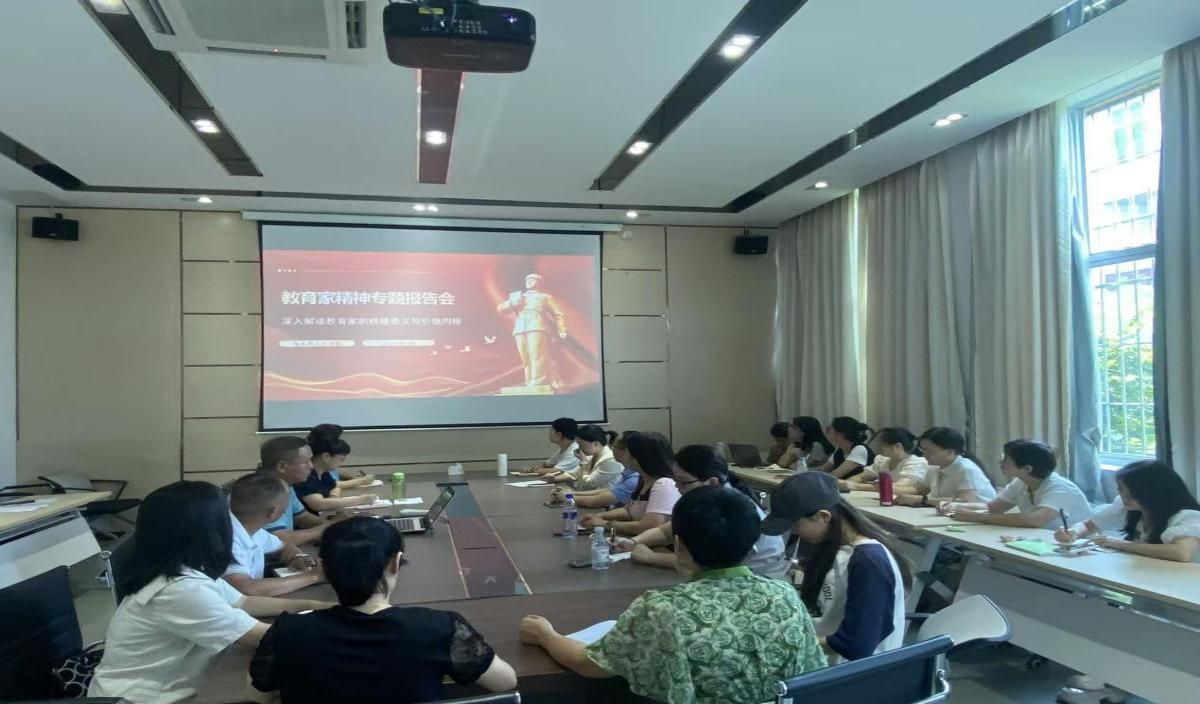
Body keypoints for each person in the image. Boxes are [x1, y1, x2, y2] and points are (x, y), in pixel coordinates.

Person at [519, 486, 827, 704]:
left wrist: (546, 635)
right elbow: (813, 671)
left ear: (679, 546)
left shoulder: (662, 608)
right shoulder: (784, 593)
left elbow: (590, 664)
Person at [89, 482, 329, 704]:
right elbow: (263, 637)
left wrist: (314, 606)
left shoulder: (180, 569)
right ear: (210, 527)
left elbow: (244, 601)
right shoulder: (179, 590)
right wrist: (339, 627)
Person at [249, 516, 517, 704]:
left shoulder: (288, 631)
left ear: (325, 568)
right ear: (396, 563)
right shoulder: (439, 628)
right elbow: (505, 682)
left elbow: (259, 695)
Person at [762, 472, 911, 663]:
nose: (794, 532)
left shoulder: (868, 562)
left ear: (823, 516)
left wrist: (789, 643)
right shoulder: (831, 547)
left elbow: (856, 645)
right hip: (822, 657)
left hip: (850, 672)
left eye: (796, 525)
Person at [612, 444, 789, 579]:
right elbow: (666, 531)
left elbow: (705, 562)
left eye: (682, 482)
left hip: (757, 578)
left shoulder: (727, 509)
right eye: (675, 480)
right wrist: (634, 542)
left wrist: (651, 557)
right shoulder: (706, 498)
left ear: (712, 482)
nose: (676, 487)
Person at [1055, 459, 1200, 562]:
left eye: (1132, 493)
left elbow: (1182, 553)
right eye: (1121, 490)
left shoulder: (1187, 517)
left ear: (1154, 493)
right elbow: (1088, 525)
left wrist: (1121, 544)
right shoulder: (1128, 507)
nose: (1124, 496)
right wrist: (1073, 532)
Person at [944, 439, 1092, 529]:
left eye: (1006, 460)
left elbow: (1035, 520)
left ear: (1027, 468)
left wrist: (977, 517)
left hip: (1072, 548)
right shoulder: (1020, 482)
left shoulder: (1061, 489)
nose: (1000, 463)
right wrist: (957, 506)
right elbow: (992, 507)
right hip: (1039, 542)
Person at [224, 473, 324, 597]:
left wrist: (297, 557)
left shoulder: (251, 528)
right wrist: (314, 576)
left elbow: (283, 547)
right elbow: (246, 588)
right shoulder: (227, 538)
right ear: (274, 512)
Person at [580, 431, 679, 536]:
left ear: (637, 457)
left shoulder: (664, 484)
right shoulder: (643, 479)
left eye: (627, 450)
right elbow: (628, 511)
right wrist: (601, 516)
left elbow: (649, 526)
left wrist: (606, 524)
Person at [258, 437, 342, 544]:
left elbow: (302, 518)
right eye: (306, 462)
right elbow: (279, 540)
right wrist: (330, 526)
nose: (311, 466)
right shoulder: (263, 493)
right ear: (282, 466)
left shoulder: (285, 484)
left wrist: (337, 525)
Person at [496, 272, 567, 389]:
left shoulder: (545, 297)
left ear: (539, 283)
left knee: (537, 355)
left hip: (537, 327)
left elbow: (558, 314)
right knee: (526, 357)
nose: (529, 282)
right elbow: (501, 309)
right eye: (527, 280)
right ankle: (530, 382)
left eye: (532, 280)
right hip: (520, 328)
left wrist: (562, 328)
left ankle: (538, 381)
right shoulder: (518, 296)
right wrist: (512, 303)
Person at [895, 427, 996, 507]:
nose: (923, 455)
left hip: (979, 519)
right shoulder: (934, 467)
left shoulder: (966, 469)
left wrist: (922, 499)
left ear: (950, 451)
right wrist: (894, 492)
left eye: (929, 451)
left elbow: (966, 501)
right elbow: (919, 489)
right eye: (922, 450)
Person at [550, 430, 639, 508]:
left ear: (627, 452)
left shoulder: (633, 478)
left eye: (614, 447)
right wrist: (571, 493)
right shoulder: (627, 473)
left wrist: (569, 496)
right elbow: (609, 490)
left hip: (603, 507)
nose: (611, 449)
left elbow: (593, 497)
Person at [840, 427, 928, 493]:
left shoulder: (916, 462)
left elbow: (899, 486)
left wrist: (856, 486)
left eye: (883, 445)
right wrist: (845, 484)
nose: (880, 448)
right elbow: (861, 476)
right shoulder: (882, 461)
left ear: (897, 446)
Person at [545, 425, 623, 490]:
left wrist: (584, 464)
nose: (579, 448)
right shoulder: (592, 456)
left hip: (604, 502)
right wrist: (555, 479)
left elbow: (588, 484)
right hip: (589, 496)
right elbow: (574, 474)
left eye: (582, 445)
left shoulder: (610, 460)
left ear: (595, 444)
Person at [307, 423, 373, 491]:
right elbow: (333, 487)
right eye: (336, 440)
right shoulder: (307, 474)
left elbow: (331, 483)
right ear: (326, 456)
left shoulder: (324, 470)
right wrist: (362, 481)